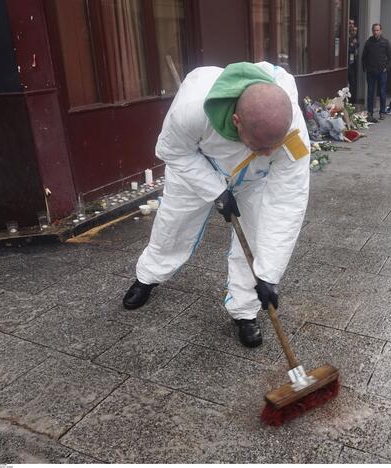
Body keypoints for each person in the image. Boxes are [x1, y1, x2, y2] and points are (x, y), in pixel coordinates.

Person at [122, 62, 310, 348]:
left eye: (274, 145)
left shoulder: (291, 128)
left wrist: (269, 274)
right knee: (174, 225)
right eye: (261, 146)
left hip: (253, 178)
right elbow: (171, 150)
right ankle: (148, 276)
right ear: (236, 121)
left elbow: (288, 200)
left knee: (256, 237)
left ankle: (245, 311)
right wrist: (216, 190)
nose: (270, 152)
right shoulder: (192, 110)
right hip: (197, 165)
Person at [362, 23, 391, 122]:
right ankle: (370, 112)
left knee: (382, 93)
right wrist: (365, 68)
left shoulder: (385, 42)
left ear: (381, 31)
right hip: (370, 72)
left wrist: (386, 68)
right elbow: (364, 57)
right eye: (374, 30)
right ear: (372, 31)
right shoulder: (368, 42)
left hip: (382, 72)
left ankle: (382, 112)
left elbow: (390, 58)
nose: (376, 32)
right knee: (370, 93)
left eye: (377, 30)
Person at [348, 20, 359, 104]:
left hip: (352, 63)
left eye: (355, 30)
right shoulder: (347, 37)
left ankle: (352, 100)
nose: (351, 26)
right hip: (346, 63)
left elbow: (356, 50)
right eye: (350, 23)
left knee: (352, 82)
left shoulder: (355, 39)